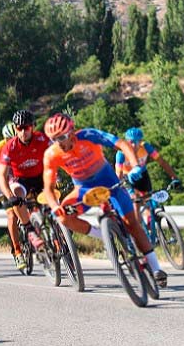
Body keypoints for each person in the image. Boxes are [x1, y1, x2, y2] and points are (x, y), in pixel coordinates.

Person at [41, 113, 168, 287]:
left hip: (109, 182)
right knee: (63, 217)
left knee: (131, 223)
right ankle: (103, 235)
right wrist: (55, 206)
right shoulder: (51, 154)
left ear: (71, 132)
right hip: (84, 189)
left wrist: (135, 166)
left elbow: (121, 144)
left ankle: (155, 268)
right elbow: (48, 188)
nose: (59, 143)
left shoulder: (88, 135)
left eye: (61, 137)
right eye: (53, 139)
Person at [0, 109, 49, 269]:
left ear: (32, 127)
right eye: (19, 128)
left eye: (26, 127)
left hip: (40, 176)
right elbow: (0, 175)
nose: (23, 131)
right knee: (15, 202)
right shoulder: (9, 147)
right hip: (20, 180)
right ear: (15, 128)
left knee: (54, 200)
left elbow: (57, 156)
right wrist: (9, 196)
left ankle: (60, 235)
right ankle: (27, 234)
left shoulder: (42, 139)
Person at [115, 127, 181, 225]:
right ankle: (138, 229)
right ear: (126, 142)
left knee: (150, 200)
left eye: (137, 142)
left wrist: (174, 177)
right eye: (131, 142)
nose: (134, 145)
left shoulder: (146, 147)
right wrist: (118, 188)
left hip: (142, 175)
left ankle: (151, 227)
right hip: (127, 178)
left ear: (141, 141)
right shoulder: (121, 153)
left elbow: (162, 162)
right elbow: (119, 173)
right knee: (135, 201)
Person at [0, 122, 21, 261]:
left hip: (20, 178)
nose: (12, 142)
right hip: (5, 181)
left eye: (15, 138)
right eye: (9, 139)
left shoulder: (23, 143)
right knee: (12, 215)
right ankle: (17, 250)